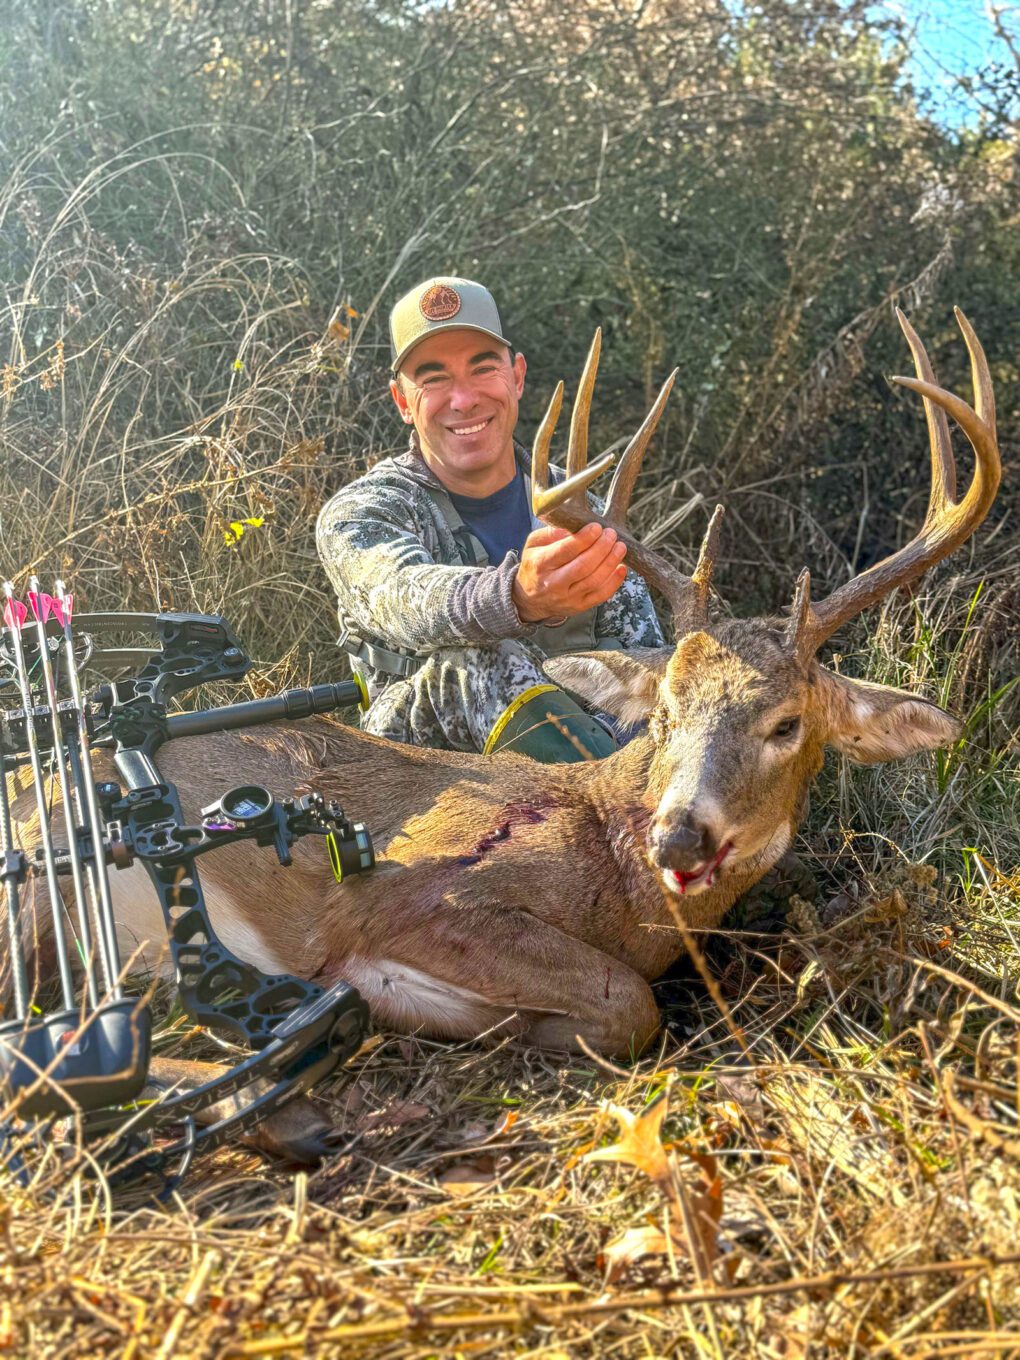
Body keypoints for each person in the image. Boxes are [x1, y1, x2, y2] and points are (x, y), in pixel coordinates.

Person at [316, 275, 664, 762]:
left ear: (517, 377)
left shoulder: (579, 507)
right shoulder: (361, 514)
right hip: (417, 780)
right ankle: (628, 824)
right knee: (483, 662)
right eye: (434, 378)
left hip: (579, 765)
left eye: (482, 369)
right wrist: (518, 597)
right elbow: (404, 599)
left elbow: (641, 668)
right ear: (402, 401)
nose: (464, 400)